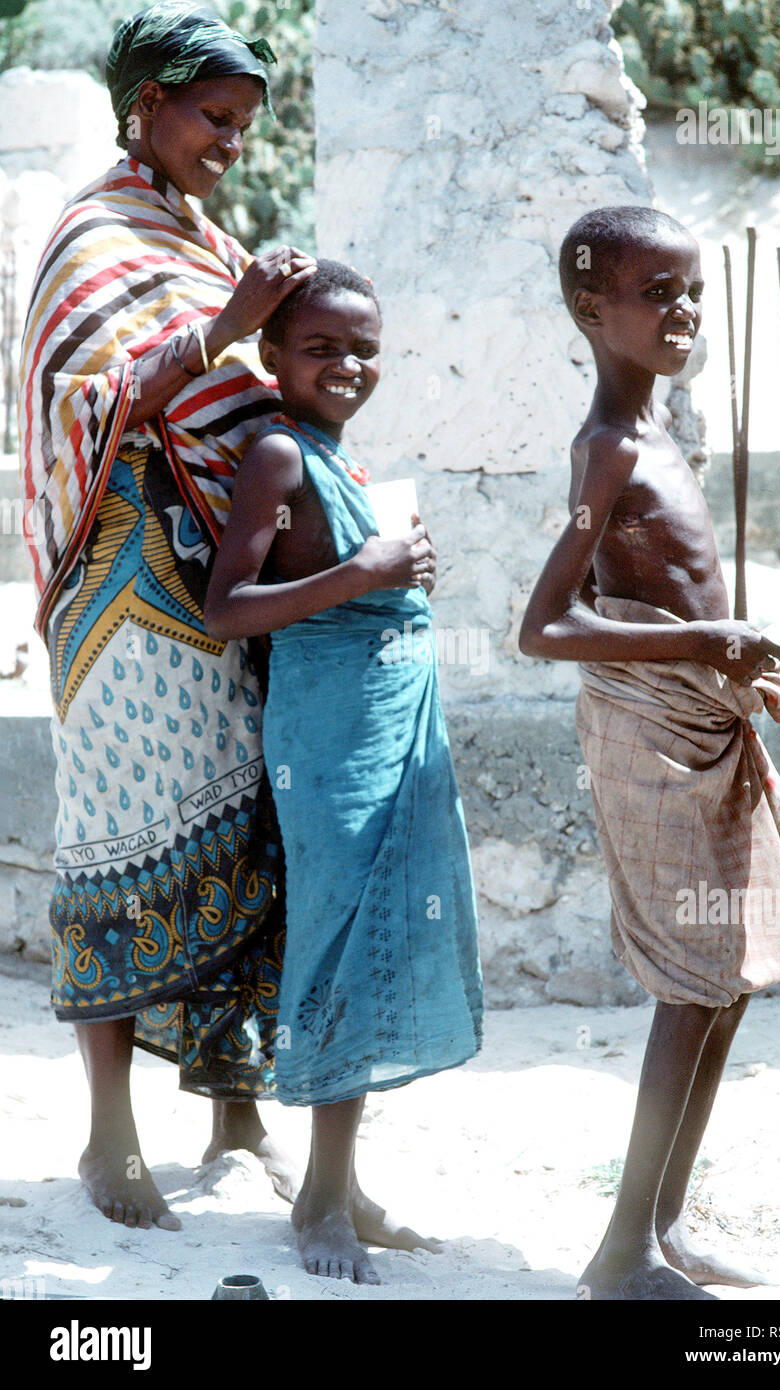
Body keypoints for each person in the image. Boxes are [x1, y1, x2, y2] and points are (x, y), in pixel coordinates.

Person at [17, 1, 319, 1232]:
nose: (233, 142)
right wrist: (226, 328)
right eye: (214, 117)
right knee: (116, 838)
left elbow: (247, 403)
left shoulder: (200, 236)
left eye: (247, 125)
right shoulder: (91, 233)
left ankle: (238, 1117)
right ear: (146, 105)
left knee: (244, 838)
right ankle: (108, 1139)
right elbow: (87, 400)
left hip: (218, 590)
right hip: (124, 577)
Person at [518, 205, 780, 1300]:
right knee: (693, 983)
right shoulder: (605, 448)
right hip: (649, 737)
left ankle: (669, 1223)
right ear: (594, 310)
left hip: (703, 715)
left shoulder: (654, 428)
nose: (684, 310)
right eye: (659, 293)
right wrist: (712, 642)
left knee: (727, 972)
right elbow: (544, 624)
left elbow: (637, 592)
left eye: (692, 290)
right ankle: (619, 1255)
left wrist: (739, 671)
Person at [204, 259, 484, 1283]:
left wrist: (397, 580)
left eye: (363, 347)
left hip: (386, 725)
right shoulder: (278, 455)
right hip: (327, 738)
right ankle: (319, 1197)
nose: (347, 364)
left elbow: (348, 580)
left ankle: (347, 1183)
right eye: (319, 346)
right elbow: (226, 607)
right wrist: (361, 576)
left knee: (373, 936)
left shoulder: (338, 457)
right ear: (272, 356)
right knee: (335, 937)